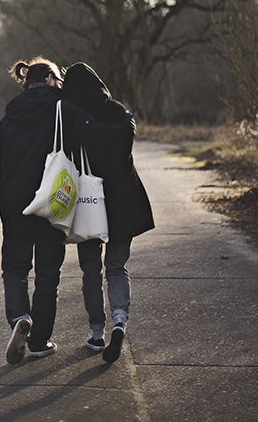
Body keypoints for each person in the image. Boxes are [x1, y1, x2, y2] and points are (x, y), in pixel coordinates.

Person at [0, 57, 136, 364]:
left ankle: (20, 317)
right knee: (48, 277)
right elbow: (103, 135)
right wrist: (126, 120)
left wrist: (5, 214)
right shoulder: (63, 110)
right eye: (59, 79)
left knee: (15, 271)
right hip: (53, 206)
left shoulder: (6, 120)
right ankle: (40, 341)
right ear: (48, 80)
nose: (62, 84)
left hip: (16, 210)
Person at [62, 62, 155, 363]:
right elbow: (123, 136)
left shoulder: (71, 117)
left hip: (89, 205)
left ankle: (96, 334)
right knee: (116, 266)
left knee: (91, 269)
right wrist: (126, 119)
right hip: (123, 206)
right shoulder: (119, 113)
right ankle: (119, 322)